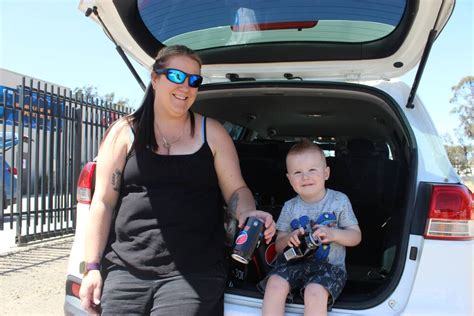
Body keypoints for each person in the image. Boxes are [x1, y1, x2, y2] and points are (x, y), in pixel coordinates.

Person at [78, 45, 276, 315]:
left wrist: (248, 212)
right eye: (176, 76)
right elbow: (103, 202)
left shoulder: (213, 133)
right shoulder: (124, 132)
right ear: (155, 78)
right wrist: (91, 268)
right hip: (126, 268)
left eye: (194, 80)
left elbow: (237, 189)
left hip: (194, 272)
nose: (186, 86)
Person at [260, 140, 361, 316]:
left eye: (312, 170)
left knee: (314, 293)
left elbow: (355, 236)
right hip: (294, 263)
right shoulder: (289, 206)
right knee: (274, 283)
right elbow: (278, 246)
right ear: (289, 179)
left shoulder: (339, 201)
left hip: (329, 268)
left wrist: (333, 233)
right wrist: (289, 238)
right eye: (297, 172)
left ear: (326, 173)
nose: (305, 177)